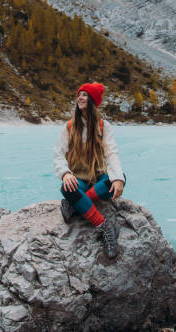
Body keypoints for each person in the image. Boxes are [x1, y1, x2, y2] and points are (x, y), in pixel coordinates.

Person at [54, 82, 125, 259]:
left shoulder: (103, 126)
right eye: (79, 94)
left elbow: (111, 153)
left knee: (118, 179)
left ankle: (75, 204)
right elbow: (58, 154)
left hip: (98, 178)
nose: (80, 97)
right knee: (67, 188)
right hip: (78, 179)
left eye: (85, 95)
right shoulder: (69, 127)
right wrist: (65, 173)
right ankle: (103, 226)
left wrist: (117, 179)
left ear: (93, 100)